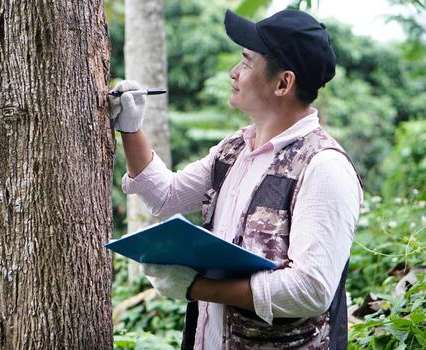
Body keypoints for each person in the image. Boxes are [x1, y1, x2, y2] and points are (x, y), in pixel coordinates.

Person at [109, 9, 363, 350]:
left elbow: (311, 290)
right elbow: (166, 197)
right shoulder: (235, 149)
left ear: (283, 83)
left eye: (246, 62)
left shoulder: (323, 167)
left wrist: (197, 288)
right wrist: (130, 127)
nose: (234, 72)